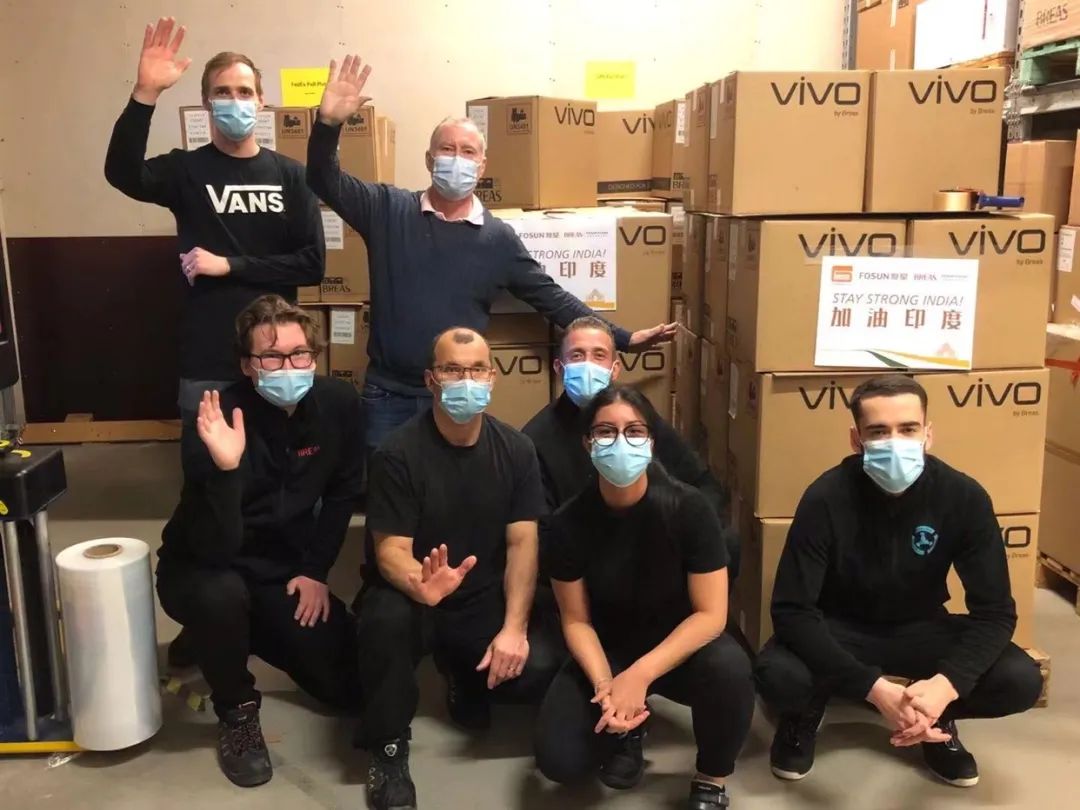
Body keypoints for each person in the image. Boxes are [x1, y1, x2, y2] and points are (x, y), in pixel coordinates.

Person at [305, 54, 676, 460]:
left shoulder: (497, 239)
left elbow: (551, 298)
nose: (457, 159)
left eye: (468, 152)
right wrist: (328, 124)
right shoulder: (387, 209)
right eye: (447, 149)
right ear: (429, 160)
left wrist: (623, 338)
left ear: (482, 167)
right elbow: (323, 179)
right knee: (386, 490)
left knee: (455, 491)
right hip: (388, 396)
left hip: (458, 394)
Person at [754, 375, 1043, 789]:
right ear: (856, 440)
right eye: (878, 432)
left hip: (922, 626)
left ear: (928, 433)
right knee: (777, 675)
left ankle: (933, 716)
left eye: (908, 429)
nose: (895, 442)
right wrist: (874, 689)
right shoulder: (825, 497)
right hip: (841, 628)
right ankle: (804, 715)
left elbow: (995, 613)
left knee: (1021, 679)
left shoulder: (964, 497)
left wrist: (946, 686)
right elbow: (792, 610)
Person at [156, 295, 363, 788]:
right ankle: (237, 711)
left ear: (315, 355)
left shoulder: (338, 405)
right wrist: (227, 470)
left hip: (280, 568)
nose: (288, 367)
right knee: (221, 597)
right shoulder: (214, 418)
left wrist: (314, 570)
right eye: (271, 357)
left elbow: (342, 493)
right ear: (248, 365)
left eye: (299, 354)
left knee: (349, 686)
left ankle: (226, 636)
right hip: (204, 566)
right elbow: (215, 546)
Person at [356, 327, 564, 810]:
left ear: (492, 377)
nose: (465, 380)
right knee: (383, 626)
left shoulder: (517, 450)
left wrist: (514, 628)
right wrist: (419, 583)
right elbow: (390, 549)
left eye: (476, 370)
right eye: (452, 369)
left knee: (538, 668)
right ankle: (388, 750)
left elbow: (522, 542)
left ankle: (463, 674)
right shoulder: (397, 453)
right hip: (414, 596)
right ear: (431, 380)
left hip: (480, 595)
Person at [534, 385, 753, 810]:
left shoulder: (689, 509)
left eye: (634, 431)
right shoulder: (567, 523)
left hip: (680, 646)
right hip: (609, 648)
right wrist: (606, 686)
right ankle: (628, 729)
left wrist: (639, 676)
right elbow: (576, 620)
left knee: (730, 670)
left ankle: (711, 778)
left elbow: (711, 614)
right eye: (605, 431)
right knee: (559, 761)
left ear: (652, 442)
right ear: (587, 444)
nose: (620, 441)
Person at [104, 17, 324, 422]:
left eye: (244, 91)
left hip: (276, 359)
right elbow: (121, 173)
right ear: (206, 102)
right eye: (223, 92)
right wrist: (145, 94)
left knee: (276, 455)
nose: (235, 100)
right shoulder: (185, 170)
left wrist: (229, 265)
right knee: (207, 458)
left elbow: (312, 264)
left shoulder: (292, 175)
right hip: (208, 358)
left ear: (261, 101)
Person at [522, 315, 737, 577]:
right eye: (577, 355)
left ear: (615, 369)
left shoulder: (637, 415)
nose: (588, 365)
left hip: (655, 541)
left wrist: (697, 530)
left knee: (727, 542)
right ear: (559, 367)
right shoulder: (535, 440)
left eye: (598, 355)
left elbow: (702, 483)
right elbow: (542, 534)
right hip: (586, 555)